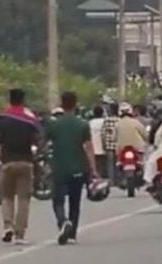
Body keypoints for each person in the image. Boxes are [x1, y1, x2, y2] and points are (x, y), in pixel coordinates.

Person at [45, 91, 99, 246]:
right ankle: (73, 232)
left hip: (59, 167)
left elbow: (43, 145)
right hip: (78, 168)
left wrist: (46, 162)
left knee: (58, 200)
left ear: (61, 104)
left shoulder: (53, 124)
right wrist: (93, 169)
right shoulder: (82, 124)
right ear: (76, 104)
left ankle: (63, 222)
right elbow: (89, 148)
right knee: (75, 202)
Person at [0, 88, 40, 245]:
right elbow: (38, 139)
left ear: (10, 99)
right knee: (24, 199)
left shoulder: (2, 118)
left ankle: (7, 227)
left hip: (7, 162)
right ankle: (20, 234)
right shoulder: (30, 118)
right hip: (25, 161)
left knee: (6, 197)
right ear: (23, 100)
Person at [102, 103, 120, 184]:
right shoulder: (120, 120)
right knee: (117, 163)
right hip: (118, 145)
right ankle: (117, 180)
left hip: (109, 144)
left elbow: (103, 133)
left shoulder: (107, 120)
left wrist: (103, 143)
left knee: (110, 164)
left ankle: (111, 181)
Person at [88, 106, 107, 179]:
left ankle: (95, 177)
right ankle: (102, 178)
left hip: (93, 147)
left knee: (94, 164)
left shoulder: (90, 123)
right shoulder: (105, 122)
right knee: (102, 164)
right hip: (103, 147)